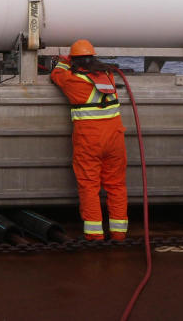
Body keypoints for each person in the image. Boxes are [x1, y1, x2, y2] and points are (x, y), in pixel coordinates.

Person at [50, 39, 128, 241]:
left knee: (89, 185)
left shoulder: (74, 81)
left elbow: (56, 75)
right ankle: (119, 233)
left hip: (90, 141)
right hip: (115, 140)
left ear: (75, 61)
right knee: (116, 185)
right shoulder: (109, 76)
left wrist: (63, 61)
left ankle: (95, 235)